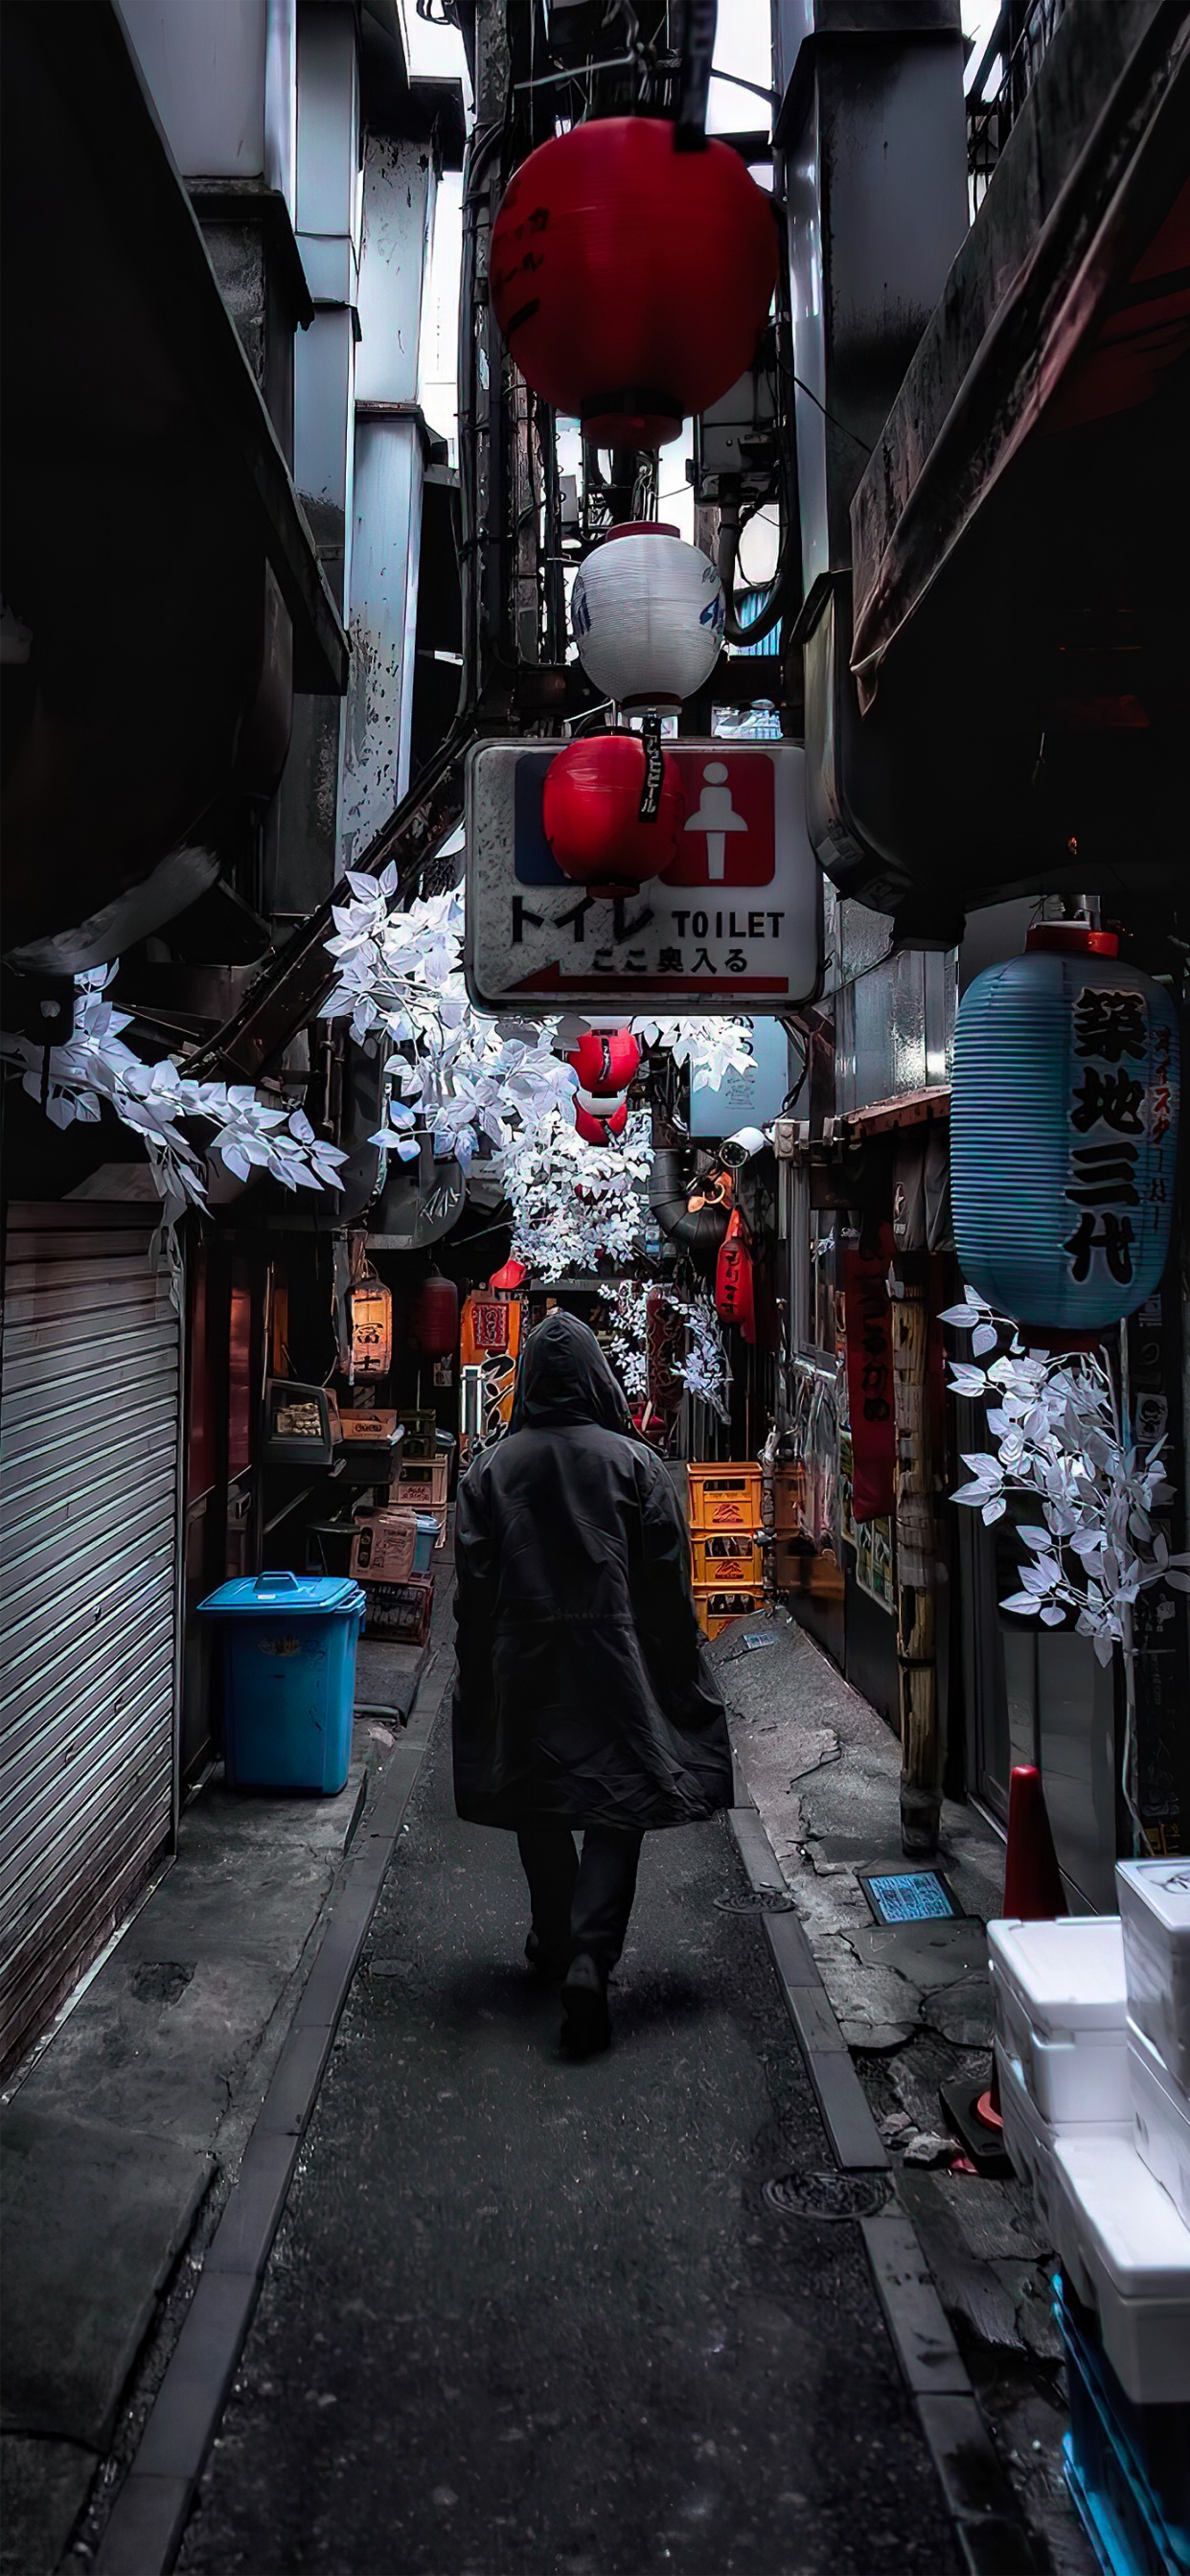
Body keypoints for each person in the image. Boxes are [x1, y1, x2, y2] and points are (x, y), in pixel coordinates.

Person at [452, 1310, 732, 2056]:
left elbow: (473, 1588)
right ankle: (588, 1955)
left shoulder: (490, 1470)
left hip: (523, 1660)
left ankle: (553, 1932)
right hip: (617, 1661)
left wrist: (473, 1670)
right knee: (618, 1802)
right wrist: (680, 1665)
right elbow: (668, 1583)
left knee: (538, 1796)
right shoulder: (633, 1465)